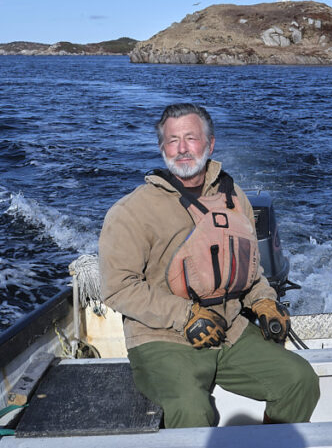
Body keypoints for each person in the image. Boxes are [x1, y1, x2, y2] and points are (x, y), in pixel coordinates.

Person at [99, 103, 320, 428]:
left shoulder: (235, 198)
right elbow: (117, 288)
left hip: (231, 331)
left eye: (191, 137)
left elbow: (249, 270)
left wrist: (263, 299)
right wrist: (185, 315)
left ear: (210, 144)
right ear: (162, 148)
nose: (183, 148)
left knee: (299, 381)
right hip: (162, 339)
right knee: (191, 409)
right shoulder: (130, 211)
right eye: (173, 140)